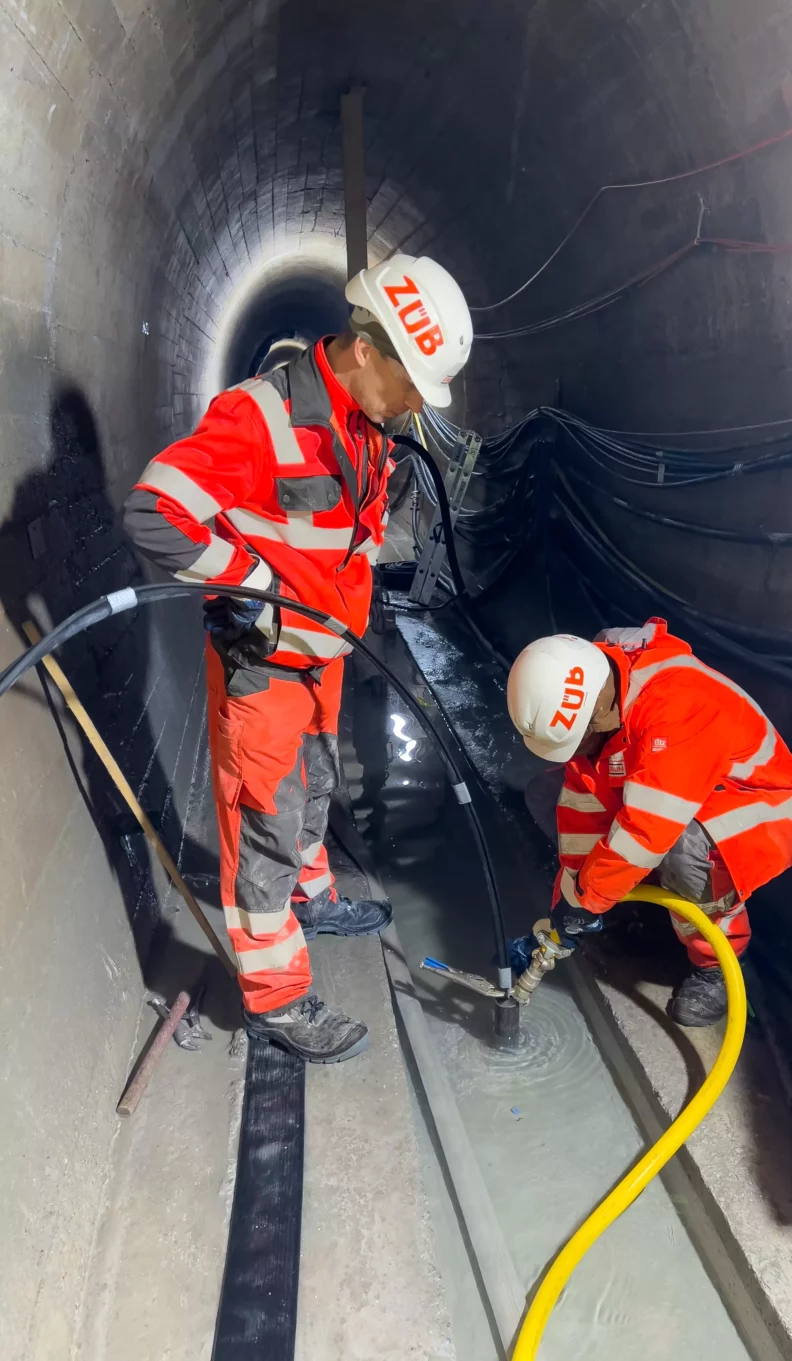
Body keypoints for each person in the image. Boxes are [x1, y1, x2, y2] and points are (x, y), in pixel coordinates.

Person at [122, 254, 473, 1061]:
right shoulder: (260, 417)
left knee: (313, 794)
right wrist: (244, 579)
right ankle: (275, 1000)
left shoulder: (367, 428)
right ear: (362, 349)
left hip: (323, 660)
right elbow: (153, 510)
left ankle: (311, 900)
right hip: (266, 670)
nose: (419, 403)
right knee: (265, 831)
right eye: (411, 380)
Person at [507, 618, 792, 1025]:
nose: (577, 751)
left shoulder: (679, 708)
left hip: (761, 807)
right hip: (675, 797)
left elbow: (645, 833)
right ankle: (632, 910)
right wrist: (565, 913)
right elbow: (583, 814)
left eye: (576, 740)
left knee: (684, 849)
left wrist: (589, 899)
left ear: (597, 714)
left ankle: (718, 966)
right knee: (549, 794)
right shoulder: (601, 691)